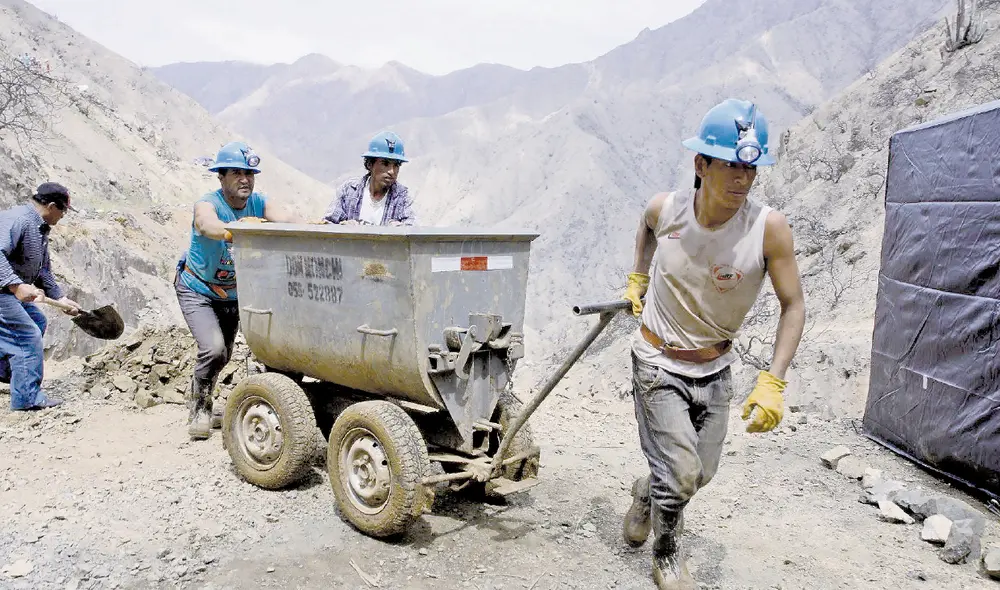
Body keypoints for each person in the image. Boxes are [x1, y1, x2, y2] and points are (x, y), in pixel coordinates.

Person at [620, 99, 806, 589]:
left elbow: (794, 305)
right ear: (700, 164)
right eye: (731, 166)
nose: (743, 179)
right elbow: (645, 224)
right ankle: (667, 556)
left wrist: (774, 381)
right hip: (657, 361)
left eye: (751, 168)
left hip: (715, 368)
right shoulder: (669, 209)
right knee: (680, 475)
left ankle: (648, 492)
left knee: (699, 474)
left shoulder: (768, 229)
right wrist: (638, 275)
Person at [175, 141, 302, 440]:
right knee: (213, 348)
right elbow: (207, 225)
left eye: (249, 173)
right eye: (236, 173)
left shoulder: (259, 203)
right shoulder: (208, 203)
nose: (245, 179)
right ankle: (200, 408)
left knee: (225, 353)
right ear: (221, 177)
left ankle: (204, 395)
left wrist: (314, 226)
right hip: (198, 289)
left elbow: (288, 217)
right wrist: (240, 229)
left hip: (233, 294)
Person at [0, 182, 82, 411]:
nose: (64, 216)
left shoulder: (39, 228)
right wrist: (16, 286)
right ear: (52, 206)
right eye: (64, 210)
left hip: (7, 291)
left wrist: (61, 299)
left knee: (38, 320)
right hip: (3, 291)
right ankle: (27, 398)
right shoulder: (19, 220)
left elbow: (42, 270)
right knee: (27, 336)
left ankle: (13, 374)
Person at [321, 131, 416, 226]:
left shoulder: (403, 197)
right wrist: (344, 228)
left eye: (396, 165)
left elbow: (413, 232)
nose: (391, 171)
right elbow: (327, 226)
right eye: (385, 164)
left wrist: (399, 230)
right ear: (370, 164)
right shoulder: (349, 191)